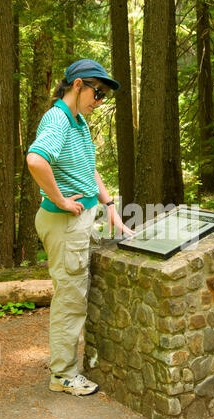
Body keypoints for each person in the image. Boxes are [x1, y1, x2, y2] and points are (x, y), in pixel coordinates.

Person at [27, 59, 134, 396]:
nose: (99, 101)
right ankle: (62, 374)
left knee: (79, 293)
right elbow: (35, 159)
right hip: (65, 223)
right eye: (97, 93)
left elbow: (91, 169)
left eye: (103, 96)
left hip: (83, 220)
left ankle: (73, 363)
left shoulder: (78, 122)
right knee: (70, 299)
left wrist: (111, 208)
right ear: (77, 85)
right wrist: (59, 200)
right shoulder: (58, 119)